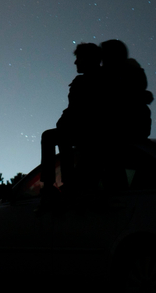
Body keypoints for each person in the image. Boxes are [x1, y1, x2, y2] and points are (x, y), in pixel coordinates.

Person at [41, 43, 101, 198]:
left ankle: (50, 188)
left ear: (87, 59)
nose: (75, 62)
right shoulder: (97, 79)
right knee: (61, 136)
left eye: (78, 58)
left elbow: (77, 111)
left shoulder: (86, 81)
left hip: (88, 132)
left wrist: (63, 123)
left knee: (49, 137)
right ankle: (67, 184)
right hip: (86, 132)